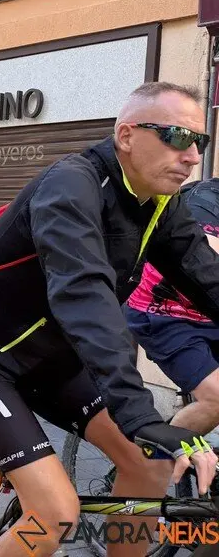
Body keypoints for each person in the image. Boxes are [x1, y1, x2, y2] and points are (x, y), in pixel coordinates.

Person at [0, 81, 218, 557]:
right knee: (53, 515)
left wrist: (144, 431)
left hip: (55, 361)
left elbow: (207, 279)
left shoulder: (159, 204)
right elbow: (85, 297)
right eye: (175, 136)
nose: (191, 156)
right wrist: (141, 415)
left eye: (200, 142)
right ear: (126, 136)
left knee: (150, 469)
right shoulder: (71, 186)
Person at [125, 177, 219, 438]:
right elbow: (206, 261)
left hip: (210, 314)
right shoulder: (207, 199)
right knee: (215, 400)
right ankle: (146, 467)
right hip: (163, 315)